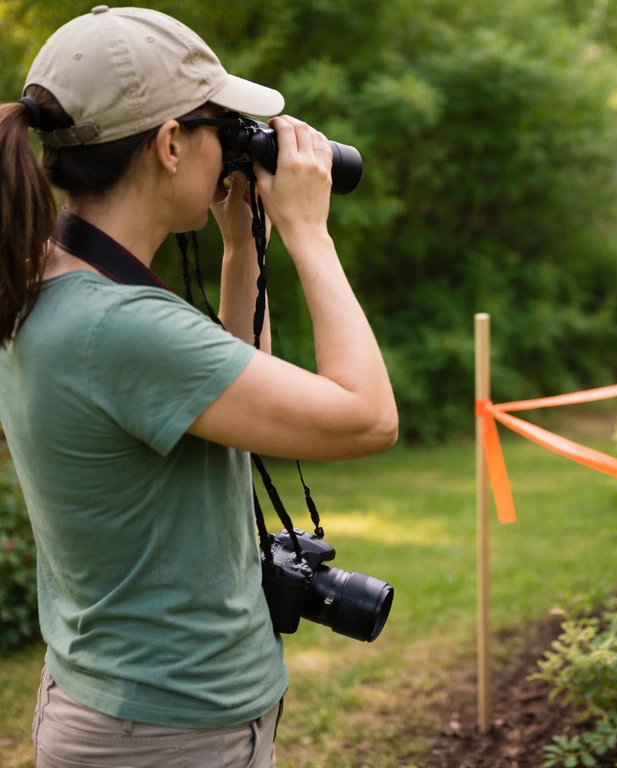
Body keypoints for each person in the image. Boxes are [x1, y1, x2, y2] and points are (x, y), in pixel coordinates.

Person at [0, 6, 398, 767]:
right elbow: (368, 418)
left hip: (129, 707)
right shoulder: (117, 326)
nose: (233, 151)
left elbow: (232, 391)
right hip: (168, 733)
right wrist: (311, 234)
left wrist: (244, 245)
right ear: (172, 144)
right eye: (222, 127)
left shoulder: (58, 284)